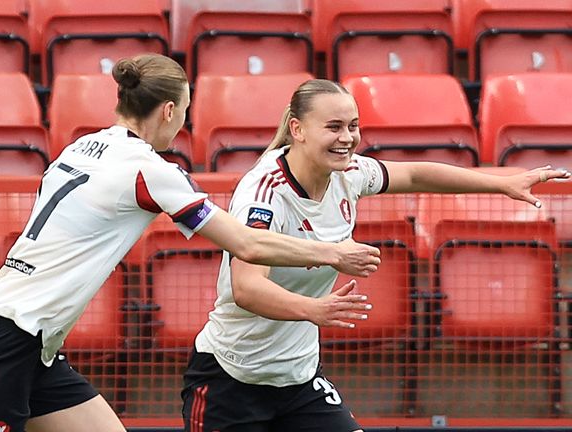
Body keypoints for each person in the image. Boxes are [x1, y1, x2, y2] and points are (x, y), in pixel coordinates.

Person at [0, 54, 382, 432]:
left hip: (37, 349)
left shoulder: (79, 146)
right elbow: (246, 245)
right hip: (1, 345)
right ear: (169, 111)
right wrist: (330, 251)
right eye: (186, 112)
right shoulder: (150, 170)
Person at [181, 78, 570, 432]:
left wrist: (503, 184)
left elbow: (416, 175)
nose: (347, 138)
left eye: (352, 126)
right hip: (230, 380)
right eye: (333, 127)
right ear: (297, 130)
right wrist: (315, 309)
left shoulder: (349, 173)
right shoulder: (264, 193)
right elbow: (248, 288)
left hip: (297, 377)